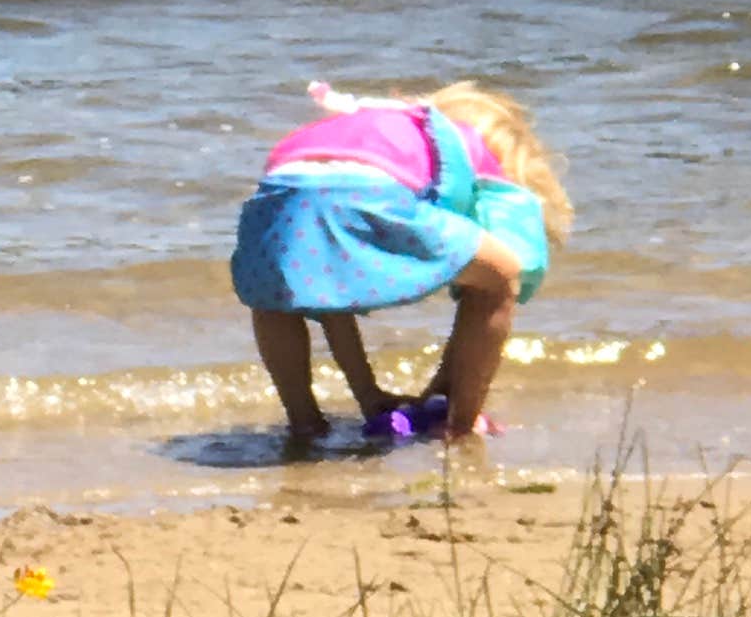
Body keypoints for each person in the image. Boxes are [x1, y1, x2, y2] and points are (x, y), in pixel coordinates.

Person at [229, 78, 571, 454]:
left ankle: (305, 421)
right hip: (367, 193)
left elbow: (329, 294)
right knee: (500, 275)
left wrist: (366, 392)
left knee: (282, 296)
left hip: (277, 192)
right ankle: (460, 424)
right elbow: (465, 218)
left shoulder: (358, 121)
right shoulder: (454, 137)